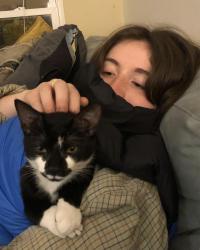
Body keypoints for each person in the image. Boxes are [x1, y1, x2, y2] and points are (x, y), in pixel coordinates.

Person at [0, 24, 199, 246]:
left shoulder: (124, 195)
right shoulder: (59, 102)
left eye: (138, 84)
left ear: (164, 101)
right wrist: (22, 99)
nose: (114, 88)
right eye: (107, 72)